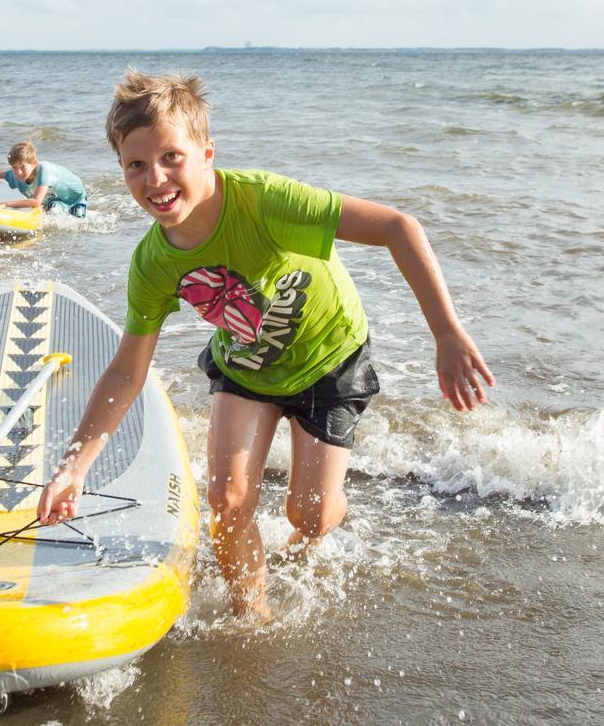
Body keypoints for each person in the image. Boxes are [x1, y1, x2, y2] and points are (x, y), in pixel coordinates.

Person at [37, 71, 494, 619]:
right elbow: (126, 372)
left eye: (171, 158)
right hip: (247, 367)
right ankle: (252, 616)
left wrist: (445, 333)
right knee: (227, 501)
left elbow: (399, 226)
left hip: (329, 358)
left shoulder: (264, 202)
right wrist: (74, 466)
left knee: (310, 514)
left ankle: (310, 538)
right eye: (136, 165)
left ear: (207, 154)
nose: (154, 179)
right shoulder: (154, 263)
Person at [0, 140, 88, 217]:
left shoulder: (44, 170)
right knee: (52, 208)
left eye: (22, 167)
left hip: (75, 198)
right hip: (54, 200)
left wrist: (6, 204)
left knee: (63, 215)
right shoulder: (16, 175)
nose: (18, 172)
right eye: (14, 167)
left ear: (34, 163)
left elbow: (36, 202)